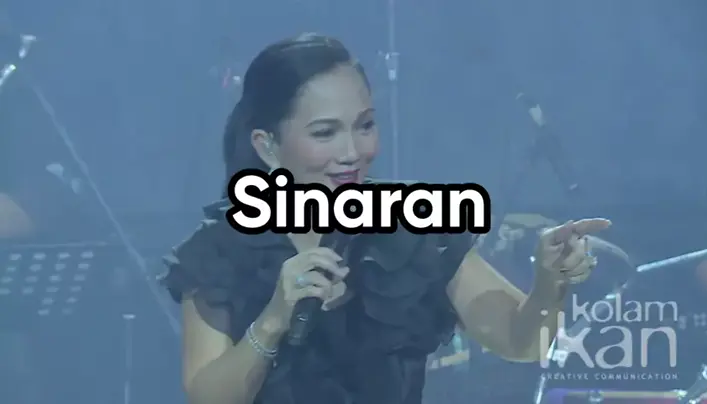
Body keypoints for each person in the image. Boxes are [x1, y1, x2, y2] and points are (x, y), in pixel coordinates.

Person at [160, 33, 611, 404]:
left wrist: (550, 284)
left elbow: (521, 340)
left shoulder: (411, 224)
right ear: (267, 146)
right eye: (325, 133)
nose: (352, 152)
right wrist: (274, 318)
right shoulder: (221, 250)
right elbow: (208, 398)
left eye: (364, 126)